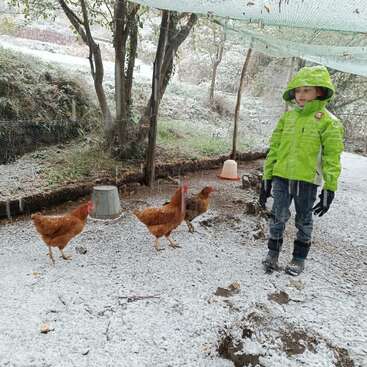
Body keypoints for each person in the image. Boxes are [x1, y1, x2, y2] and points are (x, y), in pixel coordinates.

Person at [259, 65, 344, 276]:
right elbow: (275, 148)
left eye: (307, 90)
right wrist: (267, 176)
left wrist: (329, 188)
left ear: (320, 92)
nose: (301, 95)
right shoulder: (288, 118)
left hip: (307, 180)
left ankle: (298, 258)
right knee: (278, 216)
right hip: (281, 177)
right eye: (298, 90)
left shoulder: (328, 122)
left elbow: (332, 158)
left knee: (304, 220)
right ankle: (272, 254)